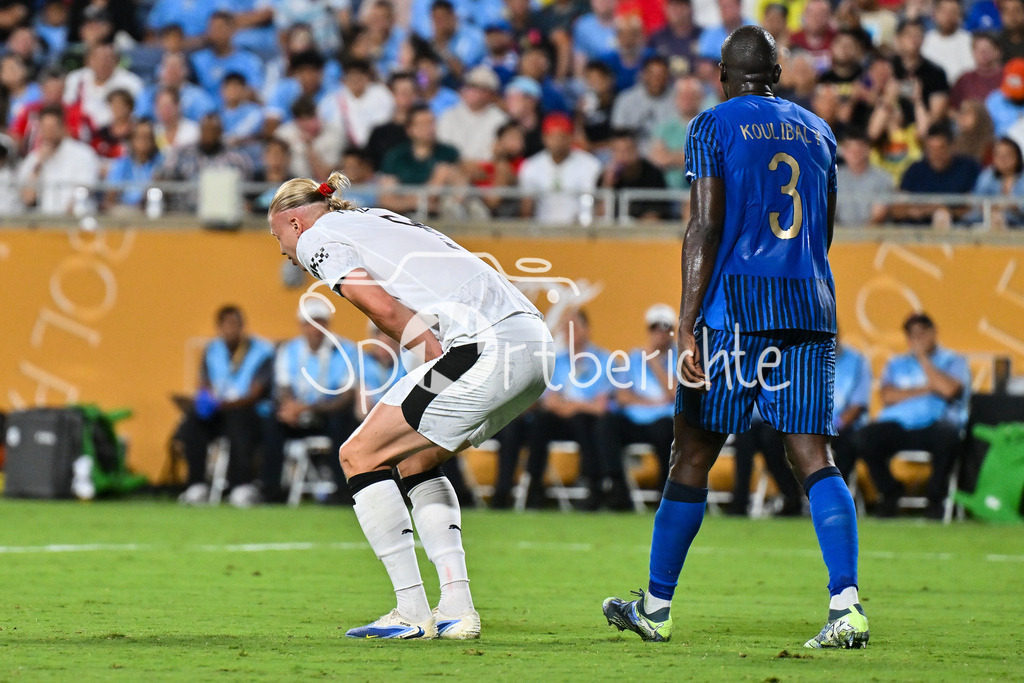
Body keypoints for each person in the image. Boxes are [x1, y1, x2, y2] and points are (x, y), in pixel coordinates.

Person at [603, 26, 867, 650]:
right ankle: (847, 606)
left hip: (734, 312)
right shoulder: (818, 130)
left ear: (723, 76)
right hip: (809, 305)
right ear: (776, 75)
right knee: (814, 455)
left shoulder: (711, 125)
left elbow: (705, 226)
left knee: (693, 453)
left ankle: (656, 609)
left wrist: (686, 323)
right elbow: (824, 230)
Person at [266, 170, 554, 639]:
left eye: (277, 234)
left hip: (485, 345)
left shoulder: (317, 238)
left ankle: (410, 611)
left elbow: (383, 309)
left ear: (295, 222)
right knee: (415, 460)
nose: (281, 249)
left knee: (358, 455)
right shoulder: (373, 218)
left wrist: (434, 361)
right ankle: (457, 608)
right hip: (533, 344)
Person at [850, 313, 970, 519]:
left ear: (933, 333)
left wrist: (923, 359)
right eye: (912, 335)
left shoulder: (953, 360)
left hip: (935, 424)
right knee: (863, 438)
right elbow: (888, 396)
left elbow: (949, 389)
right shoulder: (897, 363)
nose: (917, 340)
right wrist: (928, 388)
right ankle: (889, 491)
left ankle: (936, 499)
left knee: (949, 437)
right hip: (899, 424)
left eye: (922, 334)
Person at [524, 309, 625, 510]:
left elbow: (601, 406)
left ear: (586, 329)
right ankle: (534, 484)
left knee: (584, 421)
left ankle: (594, 485)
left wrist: (573, 406)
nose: (569, 333)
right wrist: (571, 407)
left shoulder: (604, 360)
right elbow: (549, 401)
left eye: (574, 327)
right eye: (566, 328)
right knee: (541, 421)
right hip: (562, 420)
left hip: (589, 423)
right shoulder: (556, 361)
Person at [261, 298, 358, 504]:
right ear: (302, 326)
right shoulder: (289, 350)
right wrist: (289, 407)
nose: (315, 329)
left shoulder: (345, 350)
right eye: (310, 323)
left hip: (328, 413)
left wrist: (309, 408)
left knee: (341, 422)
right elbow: (283, 386)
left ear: (327, 325)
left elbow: (346, 396)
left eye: (320, 322)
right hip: (298, 414)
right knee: (273, 422)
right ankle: (271, 489)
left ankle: (342, 490)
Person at [175, 305, 275, 506]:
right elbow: (204, 384)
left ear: (242, 326)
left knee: (239, 420)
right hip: (219, 411)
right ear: (219, 327)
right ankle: (196, 485)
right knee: (192, 422)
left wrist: (222, 404)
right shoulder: (213, 350)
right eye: (225, 325)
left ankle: (241, 485)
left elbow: (255, 393)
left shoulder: (262, 351)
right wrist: (204, 400)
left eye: (234, 324)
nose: (230, 329)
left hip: (250, 412)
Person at [609, 304, 677, 491]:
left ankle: (665, 489)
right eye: (655, 327)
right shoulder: (633, 357)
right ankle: (616, 486)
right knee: (606, 424)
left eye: (665, 327)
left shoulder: (681, 357)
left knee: (666, 431)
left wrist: (654, 362)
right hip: (635, 420)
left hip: (664, 422)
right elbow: (622, 396)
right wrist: (652, 402)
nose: (660, 333)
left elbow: (675, 393)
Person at [518, 111, 602, 224]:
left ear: (571, 137)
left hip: (577, 228)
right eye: (552, 137)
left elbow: (589, 201)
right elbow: (527, 208)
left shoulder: (590, 164)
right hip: (541, 228)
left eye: (562, 137)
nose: (557, 142)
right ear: (544, 138)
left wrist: (584, 223)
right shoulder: (531, 166)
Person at [892, 121, 981, 227]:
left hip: (958, 228)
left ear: (952, 147)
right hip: (918, 229)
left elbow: (975, 207)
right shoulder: (915, 171)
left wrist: (945, 211)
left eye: (941, 148)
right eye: (931, 149)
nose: (936, 154)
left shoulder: (968, 168)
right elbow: (897, 210)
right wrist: (927, 210)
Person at [17, 103, 100, 214]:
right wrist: (39, 165)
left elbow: (85, 189)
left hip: (75, 217)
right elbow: (28, 198)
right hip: (45, 219)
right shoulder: (34, 158)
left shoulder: (83, 154)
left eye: (52, 128)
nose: (48, 133)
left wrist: (67, 214)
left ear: (63, 127)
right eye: (45, 128)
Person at [598, 128, 669, 221]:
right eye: (618, 151)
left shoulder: (653, 174)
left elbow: (654, 216)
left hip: (641, 228)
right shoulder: (605, 176)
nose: (623, 155)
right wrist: (608, 185)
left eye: (627, 150)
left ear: (636, 150)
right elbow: (599, 216)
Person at [835, 127, 893, 226]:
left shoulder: (883, 178)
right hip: (840, 233)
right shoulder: (833, 178)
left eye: (859, 148)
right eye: (849, 149)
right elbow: (827, 214)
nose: (855, 153)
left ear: (869, 150)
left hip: (873, 233)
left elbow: (878, 216)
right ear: (843, 151)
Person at [103, 119, 163, 212]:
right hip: (124, 210)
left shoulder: (159, 162)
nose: (144, 141)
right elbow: (110, 197)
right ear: (132, 140)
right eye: (140, 137)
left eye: (147, 137)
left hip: (149, 210)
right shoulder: (122, 164)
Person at [967, 136, 1024, 229]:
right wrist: (994, 208)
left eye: (1007, 154)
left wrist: (1014, 207)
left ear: (1017, 155)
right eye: (998, 155)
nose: (1003, 159)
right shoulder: (986, 176)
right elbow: (977, 202)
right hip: (987, 221)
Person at [921, 0, 974, 86]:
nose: (948, 16)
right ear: (934, 14)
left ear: (960, 15)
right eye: (944, 11)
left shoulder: (970, 41)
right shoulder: (924, 41)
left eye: (953, 12)